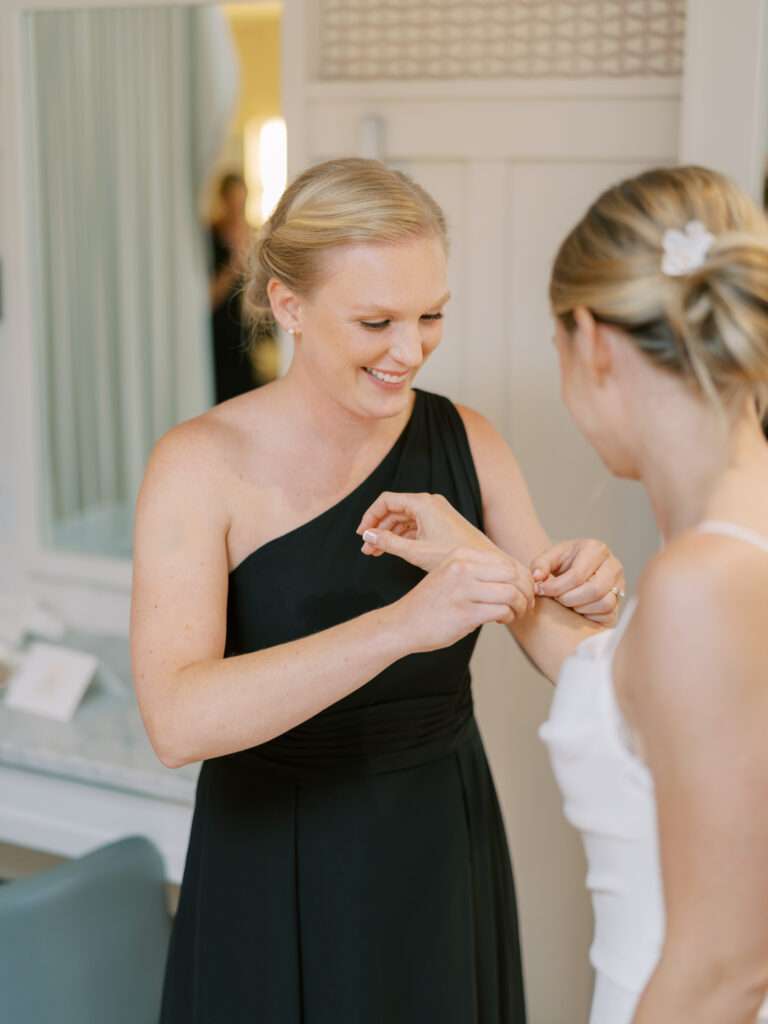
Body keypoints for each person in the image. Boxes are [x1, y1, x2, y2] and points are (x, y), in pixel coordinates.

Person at [130, 157, 625, 1023]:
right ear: (288, 305)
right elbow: (177, 721)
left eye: (431, 315)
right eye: (375, 321)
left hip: (439, 844)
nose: (411, 350)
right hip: (272, 857)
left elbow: (579, 662)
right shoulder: (199, 465)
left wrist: (594, 600)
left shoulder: (468, 439)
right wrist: (400, 625)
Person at [360, 166, 768, 1024]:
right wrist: (475, 558)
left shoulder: (703, 582)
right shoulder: (736, 544)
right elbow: (642, 705)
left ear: (589, 339)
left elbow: (724, 970)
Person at [208, 171, 275, 402]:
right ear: (222, 201)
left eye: (241, 202)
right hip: (218, 334)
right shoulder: (209, 238)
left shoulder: (256, 235)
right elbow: (207, 298)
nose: (237, 210)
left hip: (249, 335)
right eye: (231, 202)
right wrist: (233, 262)